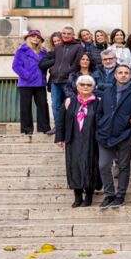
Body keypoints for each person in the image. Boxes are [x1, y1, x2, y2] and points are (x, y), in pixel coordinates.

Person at [96, 65, 131, 208]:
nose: (123, 75)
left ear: (130, 75)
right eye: (120, 73)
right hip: (105, 135)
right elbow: (100, 112)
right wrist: (101, 126)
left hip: (125, 136)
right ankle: (109, 194)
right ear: (115, 75)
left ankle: (120, 195)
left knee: (123, 166)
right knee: (103, 165)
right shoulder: (108, 91)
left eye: (126, 73)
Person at [55, 74, 102, 207]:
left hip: (92, 140)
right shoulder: (70, 101)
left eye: (89, 85)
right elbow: (60, 121)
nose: (85, 87)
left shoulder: (98, 102)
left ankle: (89, 195)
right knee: (74, 165)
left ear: (93, 87)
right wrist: (59, 138)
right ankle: (77, 195)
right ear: (77, 87)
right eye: (82, 85)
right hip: (73, 139)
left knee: (90, 165)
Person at [39, 26, 84, 135]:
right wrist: (53, 70)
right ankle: (58, 127)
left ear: (73, 35)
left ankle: (70, 127)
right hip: (55, 80)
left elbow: (77, 63)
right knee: (55, 105)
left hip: (68, 81)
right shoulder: (58, 47)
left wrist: (68, 72)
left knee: (70, 104)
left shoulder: (78, 47)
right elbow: (51, 61)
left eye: (69, 33)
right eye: (64, 33)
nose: (66, 35)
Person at [12, 29, 49, 135]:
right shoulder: (21, 51)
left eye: (38, 37)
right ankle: (26, 129)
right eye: (33, 36)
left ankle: (44, 127)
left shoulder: (43, 52)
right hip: (26, 83)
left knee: (42, 105)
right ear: (28, 38)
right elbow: (16, 66)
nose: (35, 38)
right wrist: (27, 75)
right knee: (25, 106)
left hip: (40, 83)